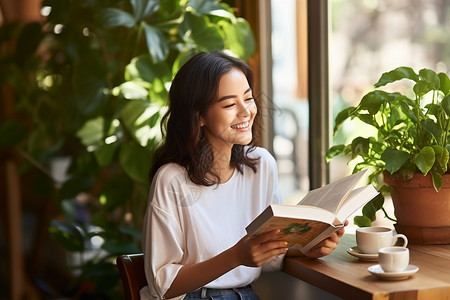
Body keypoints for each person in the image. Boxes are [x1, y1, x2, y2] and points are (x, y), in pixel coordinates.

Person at [140, 51, 346, 300]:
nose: (246, 112)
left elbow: (269, 258)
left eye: (248, 99)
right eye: (229, 104)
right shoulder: (171, 179)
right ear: (199, 116)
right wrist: (237, 255)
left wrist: (310, 246)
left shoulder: (261, 165)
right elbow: (162, 285)